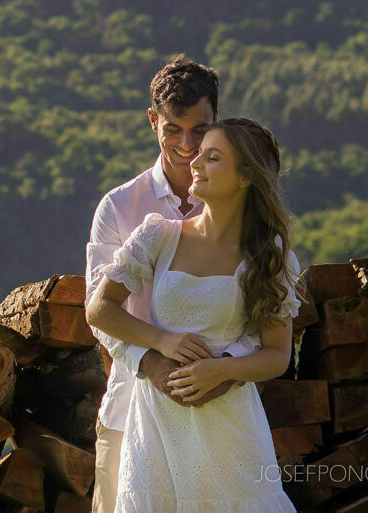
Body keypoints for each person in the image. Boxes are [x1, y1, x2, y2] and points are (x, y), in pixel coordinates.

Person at [84, 117, 300, 513]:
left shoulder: (268, 257)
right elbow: (99, 309)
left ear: (245, 176)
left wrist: (220, 370)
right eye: (199, 155)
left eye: (212, 157)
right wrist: (162, 341)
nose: (195, 164)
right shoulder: (159, 236)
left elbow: (277, 355)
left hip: (228, 427)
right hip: (154, 426)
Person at [85, 56, 232, 513]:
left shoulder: (241, 206)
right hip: (128, 409)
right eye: (173, 129)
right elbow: (99, 315)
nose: (187, 145)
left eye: (199, 130)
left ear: (216, 122)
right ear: (153, 121)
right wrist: (154, 361)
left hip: (218, 412)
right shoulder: (120, 207)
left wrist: (224, 372)